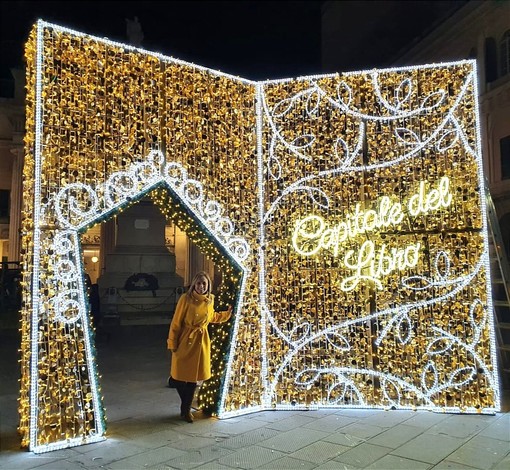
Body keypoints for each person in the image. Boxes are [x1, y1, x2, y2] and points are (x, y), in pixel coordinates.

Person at [167, 271, 232, 422]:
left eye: (204, 283)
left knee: (193, 379)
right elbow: (176, 323)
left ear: (208, 285)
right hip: (185, 340)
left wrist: (226, 315)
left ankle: (186, 411)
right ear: (193, 284)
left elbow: (212, 317)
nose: (201, 286)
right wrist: (172, 342)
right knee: (177, 377)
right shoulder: (185, 299)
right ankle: (185, 406)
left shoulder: (210, 300)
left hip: (201, 342)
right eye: (198, 283)